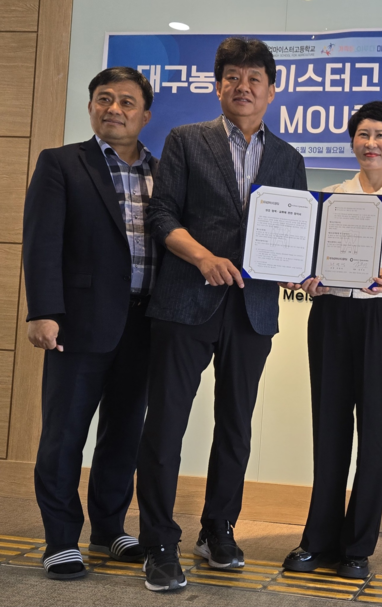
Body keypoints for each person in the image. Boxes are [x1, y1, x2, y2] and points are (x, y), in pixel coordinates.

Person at [135, 36, 307, 592]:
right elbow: (162, 215)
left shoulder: (289, 159)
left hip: (252, 309)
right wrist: (203, 258)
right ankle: (159, 542)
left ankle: (218, 529)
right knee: (166, 424)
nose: (243, 87)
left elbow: (296, 235)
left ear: (272, 90)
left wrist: (300, 269)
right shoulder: (186, 140)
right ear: (218, 86)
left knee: (236, 425)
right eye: (232, 77)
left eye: (255, 79)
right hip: (185, 301)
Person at [282, 101, 382, 580]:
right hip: (332, 314)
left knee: (375, 431)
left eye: (381, 135)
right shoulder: (329, 197)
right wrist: (309, 280)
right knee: (328, 427)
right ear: (352, 142)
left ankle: (358, 547)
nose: (371, 143)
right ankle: (317, 540)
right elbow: (312, 263)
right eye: (363, 134)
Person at [22, 67, 157, 579]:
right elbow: (41, 242)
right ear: (90, 106)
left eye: (126, 101)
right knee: (64, 434)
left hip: (144, 324)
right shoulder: (61, 163)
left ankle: (108, 527)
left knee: (123, 434)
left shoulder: (163, 171)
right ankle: (60, 539)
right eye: (104, 99)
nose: (113, 109)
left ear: (145, 115)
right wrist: (44, 311)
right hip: (78, 323)